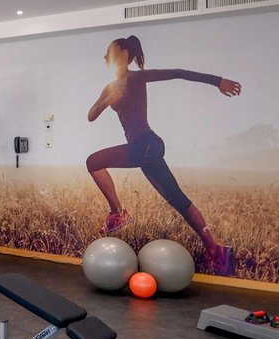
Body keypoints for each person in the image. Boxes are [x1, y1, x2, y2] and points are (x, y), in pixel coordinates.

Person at [86, 35, 241, 275]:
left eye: (112, 52)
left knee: (93, 161)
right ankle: (216, 250)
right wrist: (107, 100)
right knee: (177, 199)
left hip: (146, 144)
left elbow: (177, 73)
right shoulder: (109, 87)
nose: (107, 56)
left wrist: (217, 81)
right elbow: (91, 115)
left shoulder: (137, 78)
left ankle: (118, 214)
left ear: (126, 55)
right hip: (145, 149)